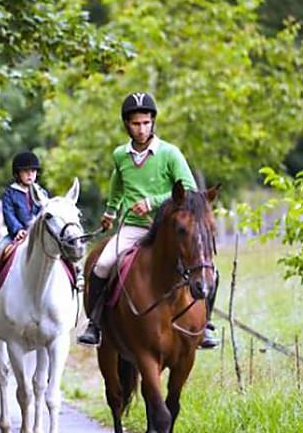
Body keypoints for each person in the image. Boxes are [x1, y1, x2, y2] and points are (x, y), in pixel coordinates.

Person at [76, 92, 219, 349]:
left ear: (153, 122)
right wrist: (110, 211)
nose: (141, 129)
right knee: (102, 265)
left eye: (146, 123)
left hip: (167, 228)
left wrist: (152, 202)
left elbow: (187, 188)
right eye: (135, 124)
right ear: (127, 125)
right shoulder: (120, 155)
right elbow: (117, 184)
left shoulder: (170, 153)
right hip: (134, 226)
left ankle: (205, 326)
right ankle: (95, 324)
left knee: (209, 270)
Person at [0, 151, 48, 297]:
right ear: (17, 173)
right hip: (17, 234)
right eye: (26, 171)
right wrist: (18, 229)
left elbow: (46, 213)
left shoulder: (42, 193)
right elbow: (8, 214)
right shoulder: (10, 193)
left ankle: (75, 273)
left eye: (33, 171)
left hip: (38, 234)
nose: (30, 175)